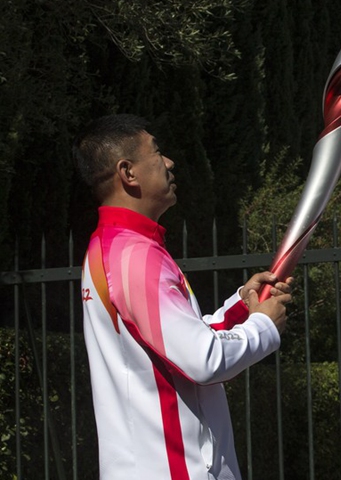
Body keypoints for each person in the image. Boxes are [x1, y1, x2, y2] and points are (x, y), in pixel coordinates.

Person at [73, 114, 293, 479]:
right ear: (128, 172)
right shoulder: (132, 256)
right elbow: (203, 360)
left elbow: (180, 343)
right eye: (157, 152)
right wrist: (263, 326)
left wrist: (241, 308)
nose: (170, 162)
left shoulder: (118, 248)